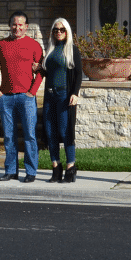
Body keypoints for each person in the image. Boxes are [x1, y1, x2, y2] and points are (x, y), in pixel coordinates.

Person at [0, 10, 43, 182]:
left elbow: (41, 71)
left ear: (26, 27)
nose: (17, 27)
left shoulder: (34, 45)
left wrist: (32, 92)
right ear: (9, 25)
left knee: (29, 135)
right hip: (6, 98)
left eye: (20, 25)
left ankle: (31, 171)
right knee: (9, 136)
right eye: (14, 24)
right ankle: (11, 170)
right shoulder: (1, 45)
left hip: (26, 98)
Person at [39, 17, 82, 183]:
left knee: (66, 132)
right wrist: (39, 67)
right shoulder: (50, 48)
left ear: (67, 32)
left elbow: (78, 73)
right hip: (49, 95)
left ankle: (71, 168)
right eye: (56, 30)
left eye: (62, 29)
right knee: (50, 133)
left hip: (64, 96)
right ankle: (56, 168)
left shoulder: (72, 50)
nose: (59, 32)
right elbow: (48, 71)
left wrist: (75, 93)